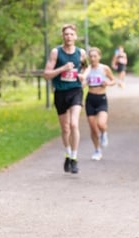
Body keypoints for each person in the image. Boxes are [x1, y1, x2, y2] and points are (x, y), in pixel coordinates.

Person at [43, 24, 87, 174]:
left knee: (74, 124)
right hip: (60, 92)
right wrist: (62, 68)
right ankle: (67, 154)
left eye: (71, 34)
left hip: (75, 91)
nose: (68, 36)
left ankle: (74, 158)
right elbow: (46, 75)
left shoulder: (81, 53)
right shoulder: (56, 52)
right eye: (66, 34)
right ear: (63, 36)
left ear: (75, 36)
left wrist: (83, 76)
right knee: (65, 128)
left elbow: (85, 69)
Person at [83, 47, 116, 161]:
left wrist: (108, 83)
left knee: (101, 124)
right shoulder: (87, 69)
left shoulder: (104, 68)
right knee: (93, 128)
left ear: (99, 57)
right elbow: (82, 82)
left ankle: (104, 133)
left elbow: (113, 80)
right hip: (90, 99)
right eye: (90, 56)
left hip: (101, 98)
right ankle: (97, 150)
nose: (92, 58)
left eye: (95, 56)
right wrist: (83, 82)